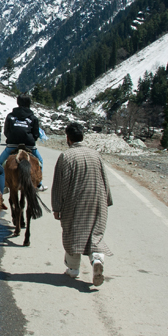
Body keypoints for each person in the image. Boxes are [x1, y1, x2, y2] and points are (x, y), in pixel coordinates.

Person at [51, 122, 113, 286]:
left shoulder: (66, 156)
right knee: (95, 233)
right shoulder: (96, 154)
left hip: (75, 201)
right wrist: (107, 199)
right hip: (97, 200)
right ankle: (97, 259)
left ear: (68, 138)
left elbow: (59, 184)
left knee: (73, 233)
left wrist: (56, 207)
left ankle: (73, 269)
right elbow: (104, 179)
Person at [0, 95, 46, 190]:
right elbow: (36, 134)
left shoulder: (10, 116)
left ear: (18, 103)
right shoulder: (33, 117)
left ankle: (2, 184)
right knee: (40, 162)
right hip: (29, 145)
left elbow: (6, 132)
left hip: (12, 145)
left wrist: (11, 138)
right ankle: (39, 184)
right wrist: (31, 140)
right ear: (29, 103)